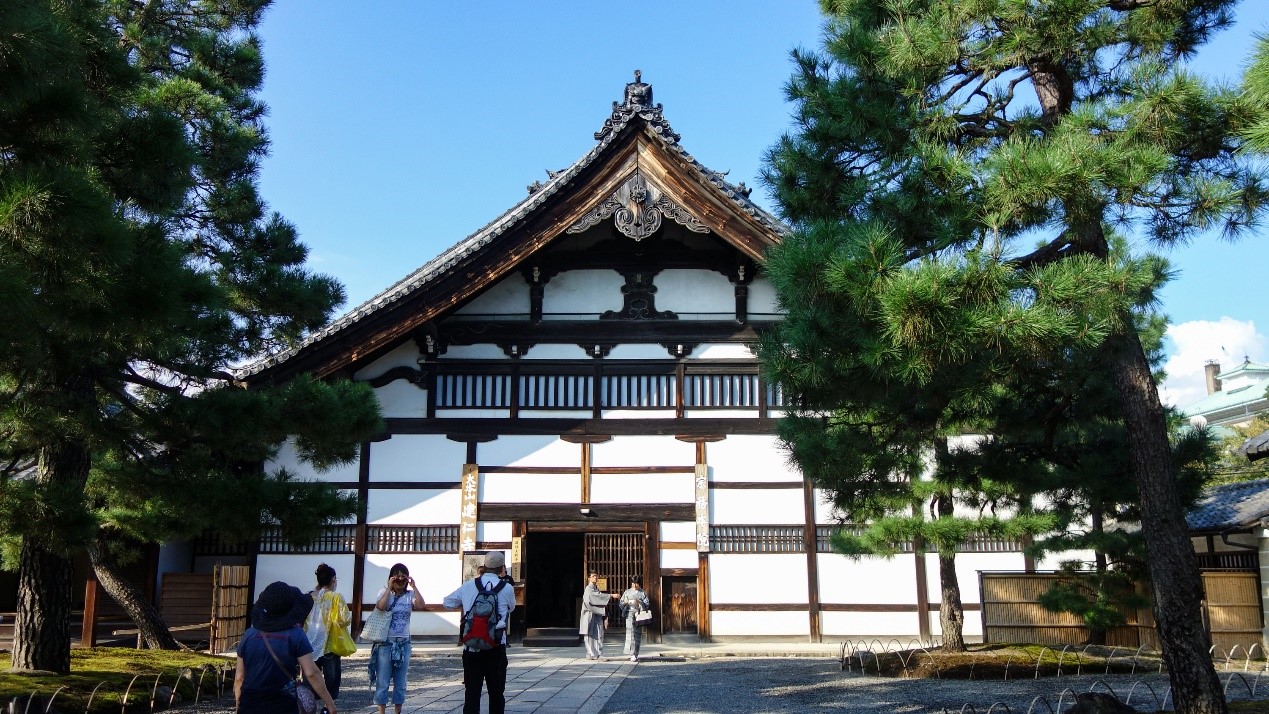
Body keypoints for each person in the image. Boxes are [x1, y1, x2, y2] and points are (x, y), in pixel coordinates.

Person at [235, 581, 337, 714]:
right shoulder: (296, 635)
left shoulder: (249, 635)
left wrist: (239, 706)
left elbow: (239, 677)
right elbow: (311, 672)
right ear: (290, 610)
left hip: (250, 703)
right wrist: (330, 704)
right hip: (282, 703)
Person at [443, 550, 518, 714]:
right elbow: (511, 607)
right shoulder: (507, 588)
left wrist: (466, 605)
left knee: (471, 693)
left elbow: (447, 602)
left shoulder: (469, 585)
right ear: (501, 568)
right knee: (496, 693)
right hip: (496, 646)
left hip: (472, 647)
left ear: (484, 566)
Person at [369, 563, 426, 714]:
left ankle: (397, 711)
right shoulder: (384, 592)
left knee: (400, 682)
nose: (400, 579)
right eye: (397, 576)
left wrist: (415, 587)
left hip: (403, 643)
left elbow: (421, 605)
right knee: (383, 681)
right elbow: (380, 606)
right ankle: (381, 711)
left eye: (403, 576)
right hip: (386, 643)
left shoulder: (410, 596)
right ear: (391, 578)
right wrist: (389, 588)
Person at [305, 563, 351, 706]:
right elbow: (345, 619)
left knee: (309, 678)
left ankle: (309, 706)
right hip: (329, 642)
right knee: (331, 681)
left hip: (308, 643)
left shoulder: (308, 596)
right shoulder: (336, 597)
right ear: (333, 580)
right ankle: (327, 707)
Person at [578, 571, 618, 660]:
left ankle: (599, 653)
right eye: (593, 576)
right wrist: (611, 595)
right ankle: (591, 653)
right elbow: (595, 598)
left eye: (596, 576)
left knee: (599, 633)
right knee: (589, 634)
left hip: (597, 613)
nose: (595, 578)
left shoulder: (596, 588)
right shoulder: (588, 589)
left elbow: (598, 596)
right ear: (589, 578)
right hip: (589, 614)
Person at [619, 575, 651, 662]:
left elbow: (647, 604)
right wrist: (625, 602)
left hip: (638, 615)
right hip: (629, 614)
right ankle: (630, 653)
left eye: (636, 583)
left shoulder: (642, 593)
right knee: (629, 632)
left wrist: (639, 602)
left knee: (637, 634)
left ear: (639, 583)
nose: (634, 585)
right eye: (633, 583)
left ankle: (635, 653)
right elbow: (621, 603)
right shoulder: (627, 592)